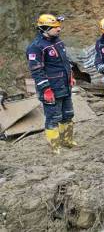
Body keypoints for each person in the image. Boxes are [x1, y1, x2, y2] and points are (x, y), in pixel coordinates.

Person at [26, 14, 76, 154]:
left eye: (58, 26)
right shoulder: (36, 47)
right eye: (54, 27)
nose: (58, 29)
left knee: (68, 114)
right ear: (45, 29)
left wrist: (70, 75)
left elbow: (65, 62)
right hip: (51, 89)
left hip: (64, 86)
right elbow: (36, 71)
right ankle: (55, 146)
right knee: (53, 118)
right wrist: (45, 89)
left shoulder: (57, 41)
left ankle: (67, 140)